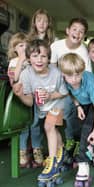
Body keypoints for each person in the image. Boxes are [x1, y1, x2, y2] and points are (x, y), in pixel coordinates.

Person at [12, 39, 68, 184]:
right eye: (35, 56)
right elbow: (30, 101)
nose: (39, 60)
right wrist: (20, 95)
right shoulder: (26, 74)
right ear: (29, 58)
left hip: (58, 103)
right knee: (52, 130)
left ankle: (53, 163)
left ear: (48, 58)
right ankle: (60, 151)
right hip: (42, 108)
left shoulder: (56, 73)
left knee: (49, 126)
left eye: (43, 56)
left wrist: (50, 96)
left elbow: (63, 92)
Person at [50, 17, 92, 165]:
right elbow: (52, 69)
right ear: (68, 30)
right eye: (75, 29)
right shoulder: (56, 46)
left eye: (81, 32)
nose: (77, 33)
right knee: (53, 119)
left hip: (75, 87)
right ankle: (60, 146)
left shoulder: (83, 51)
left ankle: (72, 142)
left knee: (70, 113)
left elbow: (86, 75)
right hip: (57, 87)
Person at [59, 53, 94, 185]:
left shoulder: (90, 82)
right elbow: (70, 94)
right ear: (63, 74)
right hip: (83, 104)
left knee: (88, 131)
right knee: (84, 129)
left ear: (83, 71)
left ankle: (83, 164)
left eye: (78, 75)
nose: (74, 79)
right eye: (70, 76)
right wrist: (77, 106)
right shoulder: (64, 82)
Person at [7, 32, 44, 168]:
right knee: (23, 127)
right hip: (20, 98)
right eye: (20, 45)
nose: (23, 48)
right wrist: (21, 61)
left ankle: (37, 150)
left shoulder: (32, 61)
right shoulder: (14, 62)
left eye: (26, 45)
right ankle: (22, 152)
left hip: (33, 96)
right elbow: (14, 78)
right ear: (14, 49)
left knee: (35, 125)